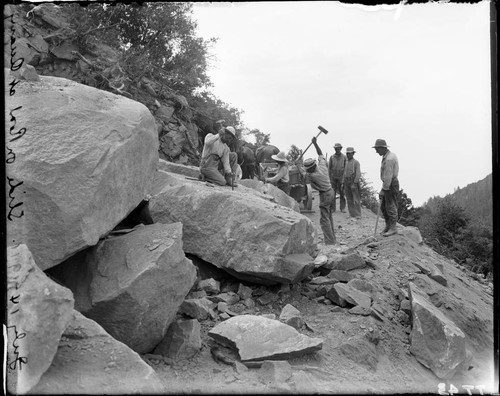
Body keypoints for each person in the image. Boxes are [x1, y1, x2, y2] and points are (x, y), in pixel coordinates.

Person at [300, 137, 336, 245]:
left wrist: (298, 166)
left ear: (310, 169)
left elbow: (304, 177)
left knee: (324, 219)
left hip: (325, 195)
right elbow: (320, 154)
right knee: (329, 217)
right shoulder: (322, 166)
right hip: (331, 192)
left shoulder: (313, 175)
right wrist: (315, 144)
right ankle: (332, 239)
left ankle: (330, 242)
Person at [373, 139, 399, 236]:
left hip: (390, 184)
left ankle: (393, 228)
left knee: (390, 206)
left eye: (377, 149)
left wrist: (384, 189)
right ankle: (388, 226)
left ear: (382, 148)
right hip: (388, 183)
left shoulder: (389, 159)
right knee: (384, 206)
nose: (376, 151)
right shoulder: (386, 156)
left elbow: (388, 176)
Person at [342, 147, 362, 219]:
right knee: (349, 198)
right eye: (347, 153)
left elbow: (358, 173)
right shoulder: (346, 162)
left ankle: (358, 214)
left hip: (353, 181)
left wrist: (355, 182)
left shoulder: (356, 162)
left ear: (353, 154)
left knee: (356, 199)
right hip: (346, 181)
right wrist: (343, 182)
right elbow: (344, 173)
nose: (348, 155)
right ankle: (352, 214)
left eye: (349, 153)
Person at [328, 143, 347, 213]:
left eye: (338, 148)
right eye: (336, 148)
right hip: (333, 177)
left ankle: (342, 208)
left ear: (341, 149)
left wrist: (344, 178)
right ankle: (333, 208)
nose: (337, 149)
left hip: (341, 177)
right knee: (333, 193)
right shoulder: (332, 157)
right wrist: (329, 178)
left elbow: (346, 168)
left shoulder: (344, 157)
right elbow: (329, 168)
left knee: (342, 192)